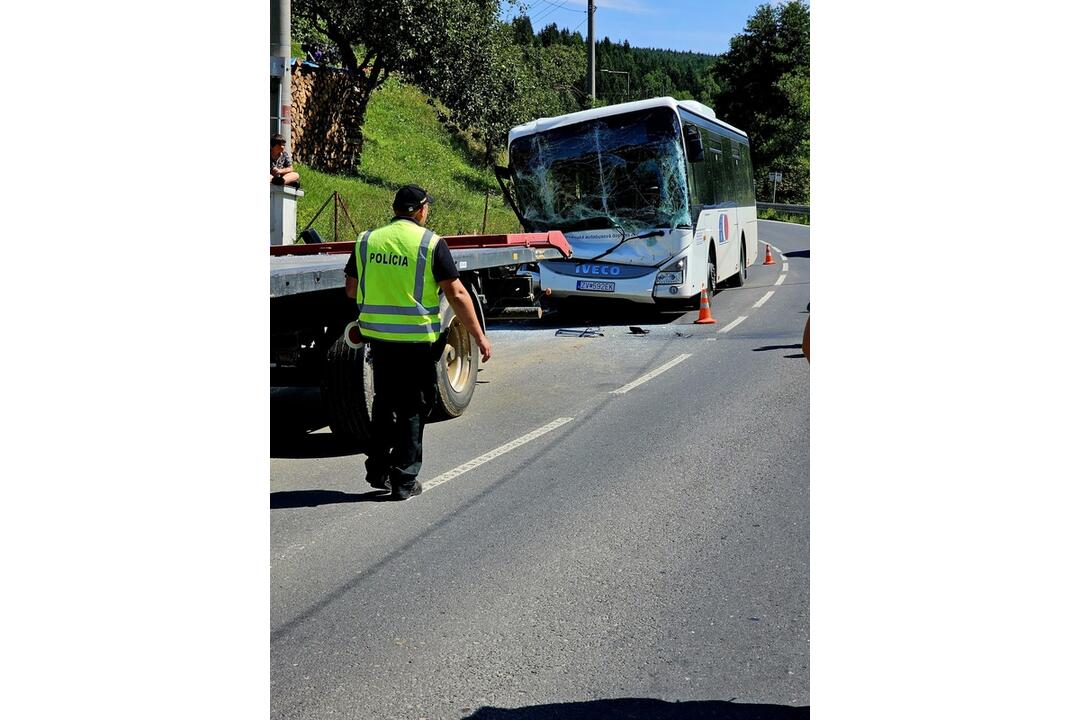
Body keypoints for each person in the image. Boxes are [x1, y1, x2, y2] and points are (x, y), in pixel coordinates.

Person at [344, 185, 493, 500]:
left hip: (380, 339)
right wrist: (478, 336)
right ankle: (404, 479)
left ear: (396, 208)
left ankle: (378, 469)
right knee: (413, 406)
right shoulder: (430, 243)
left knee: (383, 403)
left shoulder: (367, 241)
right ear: (421, 209)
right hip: (416, 342)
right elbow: (456, 293)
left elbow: (351, 289)